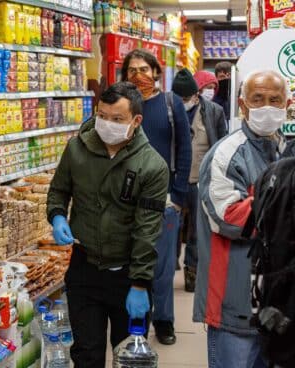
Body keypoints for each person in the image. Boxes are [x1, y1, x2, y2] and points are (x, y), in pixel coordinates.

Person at [47, 82, 169, 368]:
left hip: (127, 274)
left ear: (136, 121)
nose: (106, 124)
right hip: (84, 269)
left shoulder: (152, 166)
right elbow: (59, 190)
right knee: (86, 354)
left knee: (128, 357)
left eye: (117, 120)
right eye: (102, 116)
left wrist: (140, 284)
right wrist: (57, 215)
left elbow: (147, 230)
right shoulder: (77, 148)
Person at [194, 70, 289, 368]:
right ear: (242, 105)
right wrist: (285, 205)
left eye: (275, 100)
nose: (266, 107)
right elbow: (231, 219)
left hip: (277, 302)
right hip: (234, 304)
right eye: (258, 99)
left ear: (287, 104)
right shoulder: (226, 154)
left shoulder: (285, 149)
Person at [122, 49, 192, 345]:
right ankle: (138, 320)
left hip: (164, 200)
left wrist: (177, 195)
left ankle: (164, 321)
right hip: (127, 201)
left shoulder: (169, 103)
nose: (138, 75)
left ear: (156, 72)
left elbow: (185, 149)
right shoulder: (122, 106)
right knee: (132, 265)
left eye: (144, 69)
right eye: (131, 70)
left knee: (162, 267)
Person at [171, 69, 227, 293]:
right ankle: (170, 262)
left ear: (196, 95)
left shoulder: (213, 111)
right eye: (179, 99)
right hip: (174, 178)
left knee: (195, 229)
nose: (183, 103)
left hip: (200, 180)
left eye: (186, 99)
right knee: (171, 227)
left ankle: (192, 272)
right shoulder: (169, 109)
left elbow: (221, 144)